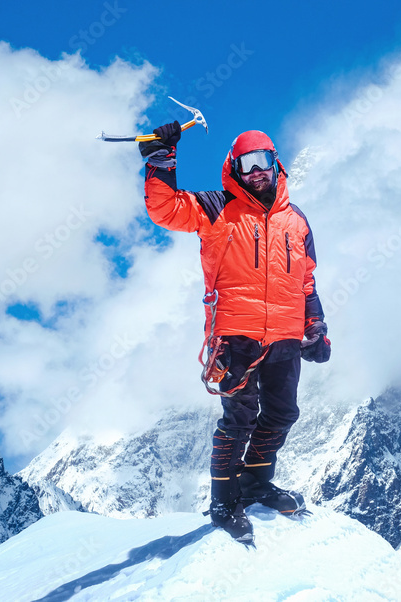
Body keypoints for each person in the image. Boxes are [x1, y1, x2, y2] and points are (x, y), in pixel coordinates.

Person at [141, 121, 331, 544]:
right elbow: (166, 210)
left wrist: (315, 325)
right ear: (235, 168)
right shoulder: (217, 206)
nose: (257, 172)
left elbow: (306, 281)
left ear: (275, 162)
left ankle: (256, 485)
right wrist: (161, 160)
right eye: (247, 165)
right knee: (239, 418)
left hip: (284, 336)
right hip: (235, 336)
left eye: (263, 161)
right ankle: (224, 502)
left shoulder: (297, 222)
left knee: (282, 413)